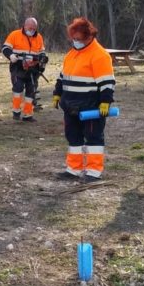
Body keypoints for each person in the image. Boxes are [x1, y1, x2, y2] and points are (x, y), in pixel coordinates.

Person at [52, 17, 115, 182]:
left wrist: (105, 102)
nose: (75, 41)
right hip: (70, 105)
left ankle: (94, 172)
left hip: (91, 107)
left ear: (89, 36)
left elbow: (107, 82)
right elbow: (62, 77)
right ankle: (73, 169)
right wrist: (57, 93)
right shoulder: (71, 54)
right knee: (73, 137)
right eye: (73, 38)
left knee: (93, 137)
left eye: (78, 39)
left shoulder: (100, 55)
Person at [2, 17, 46, 122]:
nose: (32, 30)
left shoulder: (39, 37)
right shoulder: (15, 34)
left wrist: (42, 61)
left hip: (33, 69)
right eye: (30, 27)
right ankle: (16, 111)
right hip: (17, 67)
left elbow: (42, 52)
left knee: (31, 91)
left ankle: (28, 114)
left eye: (34, 28)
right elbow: (5, 48)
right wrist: (11, 56)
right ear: (25, 25)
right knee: (18, 88)